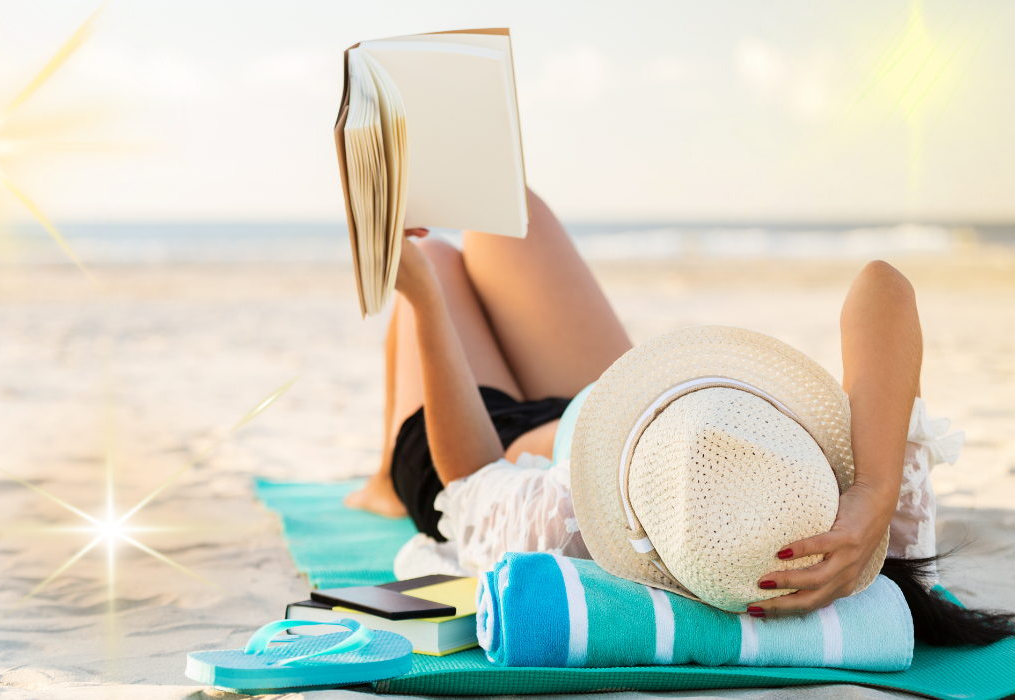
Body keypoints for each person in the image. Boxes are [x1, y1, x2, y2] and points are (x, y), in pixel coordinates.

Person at [345, 189, 1014, 645]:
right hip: (615, 409)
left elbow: (469, 478)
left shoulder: (565, 529)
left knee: (436, 262)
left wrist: (423, 299)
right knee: (503, 213)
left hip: (492, 434)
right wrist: (871, 491)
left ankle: (384, 478)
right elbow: (883, 285)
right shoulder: (858, 524)